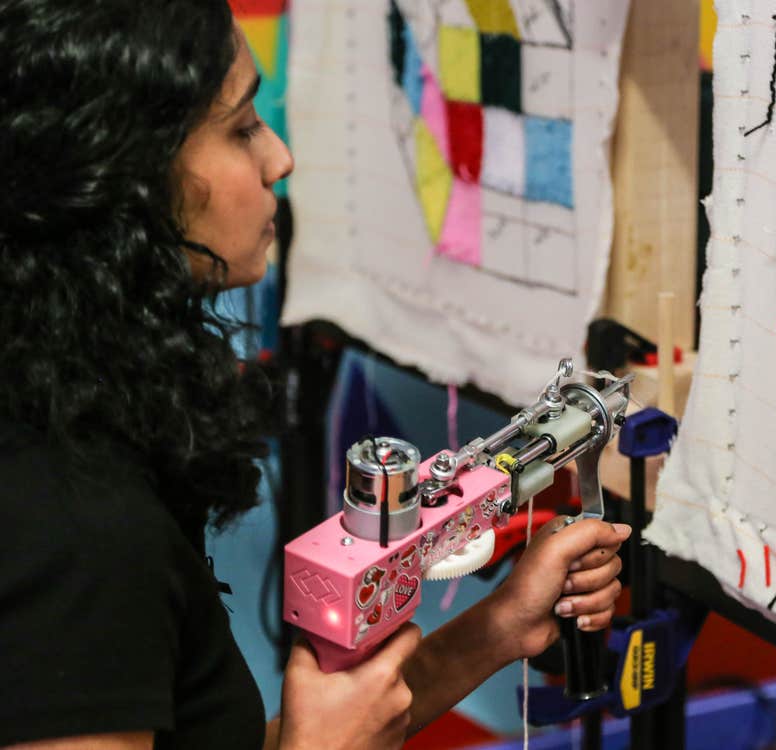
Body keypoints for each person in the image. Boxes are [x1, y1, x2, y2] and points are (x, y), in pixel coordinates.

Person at [0, 1, 629, 748]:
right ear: (123, 174)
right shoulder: (79, 529)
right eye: (241, 128)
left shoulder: (70, 401)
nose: (280, 158)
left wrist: (496, 629)